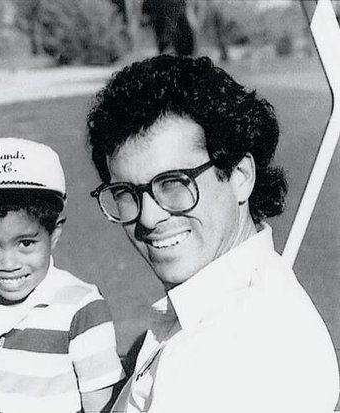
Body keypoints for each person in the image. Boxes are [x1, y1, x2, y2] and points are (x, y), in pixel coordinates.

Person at [86, 55, 339, 412]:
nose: (149, 216)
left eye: (174, 183)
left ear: (240, 176)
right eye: (126, 193)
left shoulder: (224, 357)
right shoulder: (241, 296)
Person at [0, 137, 125, 413]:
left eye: (26, 243)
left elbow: (101, 403)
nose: (9, 263)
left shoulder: (82, 308)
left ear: (54, 234)